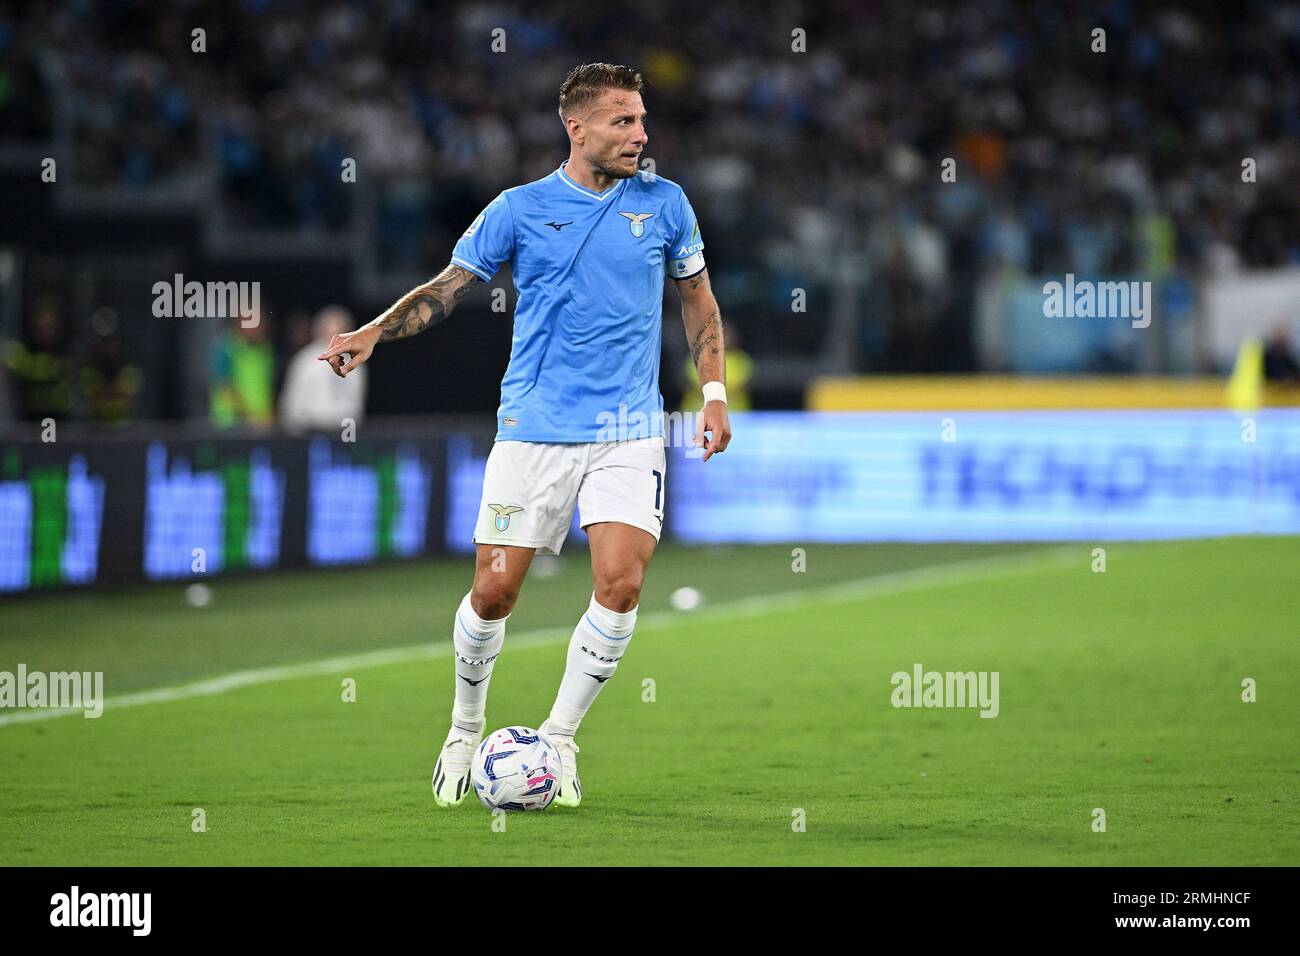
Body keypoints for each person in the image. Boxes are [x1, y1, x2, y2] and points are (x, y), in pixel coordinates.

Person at [317, 63, 731, 808]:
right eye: (623, 122)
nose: (641, 135)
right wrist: (377, 331)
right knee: (494, 591)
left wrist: (714, 393)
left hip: (628, 429)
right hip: (534, 428)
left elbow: (698, 300)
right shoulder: (518, 208)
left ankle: (560, 740)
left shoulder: (666, 205)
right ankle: (464, 728)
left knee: (622, 581)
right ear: (578, 130)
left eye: (641, 120)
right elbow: (448, 288)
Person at [279, 305, 366, 433]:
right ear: (319, 332)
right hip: (310, 430)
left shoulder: (356, 363)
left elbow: (356, 401)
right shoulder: (305, 360)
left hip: (345, 430)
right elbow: (292, 403)